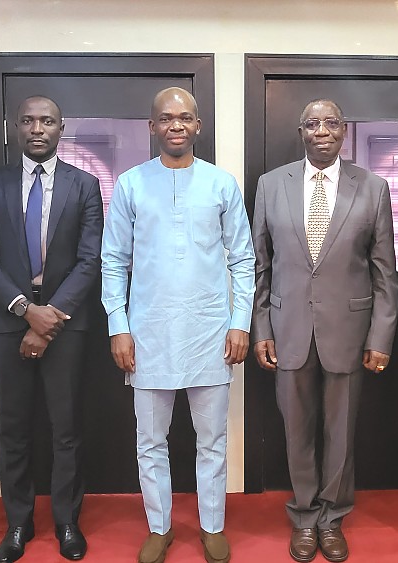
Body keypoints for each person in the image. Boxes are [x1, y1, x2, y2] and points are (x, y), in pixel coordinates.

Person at [101, 87, 255, 563]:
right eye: (166, 118)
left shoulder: (221, 184)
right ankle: (159, 527)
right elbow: (113, 261)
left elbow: (243, 259)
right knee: (150, 441)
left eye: (185, 117)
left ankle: (212, 525)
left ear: (197, 126)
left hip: (210, 330)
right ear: (152, 127)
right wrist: (118, 325)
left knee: (213, 441)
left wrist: (240, 322)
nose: (176, 125)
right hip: (148, 333)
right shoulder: (130, 184)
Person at [252, 99, 398, 563]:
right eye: (312, 123)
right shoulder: (271, 185)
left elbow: (385, 273)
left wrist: (381, 336)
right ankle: (304, 516)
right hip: (287, 328)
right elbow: (260, 266)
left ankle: (332, 517)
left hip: (349, 331)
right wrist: (261, 327)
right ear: (301, 131)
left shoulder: (372, 187)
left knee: (341, 431)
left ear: (344, 131)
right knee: (296, 430)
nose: (322, 130)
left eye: (331, 123)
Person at [0, 96, 103, 562]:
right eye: (28, 121)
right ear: (15, 127)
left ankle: (67, 521)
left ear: (61, 128)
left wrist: (49, 317)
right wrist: (26, 309)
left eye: (47, 121)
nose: (37, 128)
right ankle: (18, 522)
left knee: (66, 429)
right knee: (13, 428)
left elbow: (90, 259)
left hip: (66, 324)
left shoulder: (84, 184)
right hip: (8, 323)